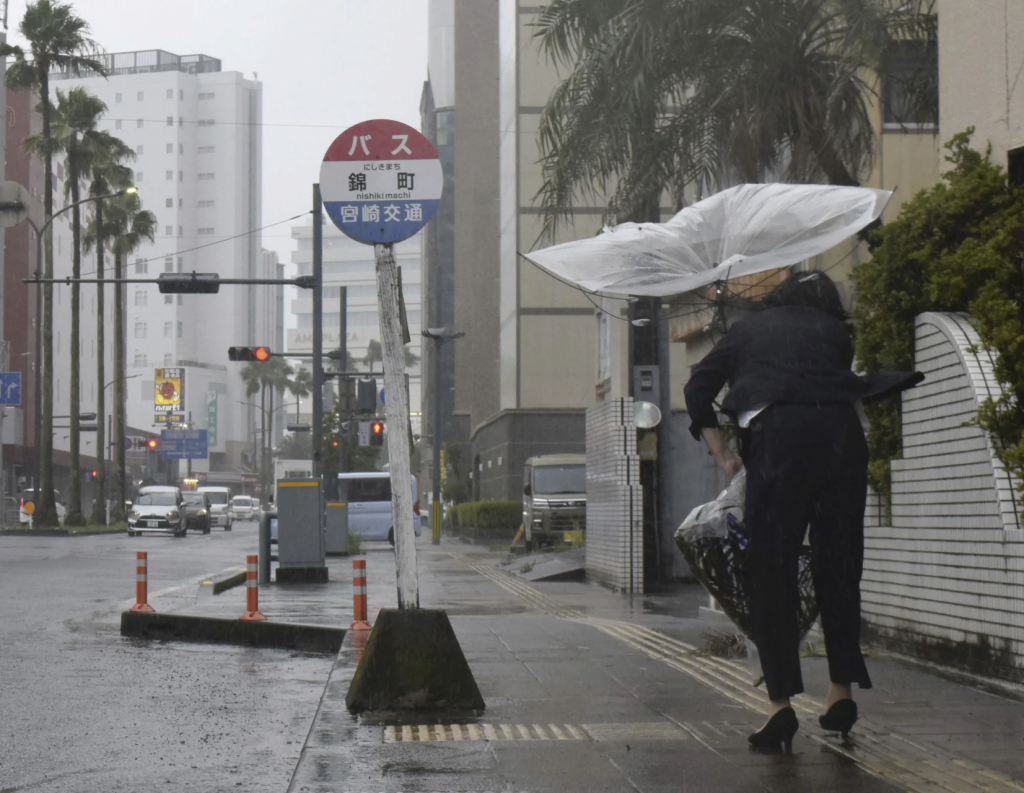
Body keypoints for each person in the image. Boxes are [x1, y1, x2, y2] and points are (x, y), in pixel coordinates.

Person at [683, 270, 921, 752]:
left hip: (781, 440)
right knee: (839, 565)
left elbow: (696, 391)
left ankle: (780, 705)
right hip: (841, 440)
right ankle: (839, 694)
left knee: (770, 566)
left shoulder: (746, 331)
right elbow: (814, 374)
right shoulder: (835, 332)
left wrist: (724, 456)